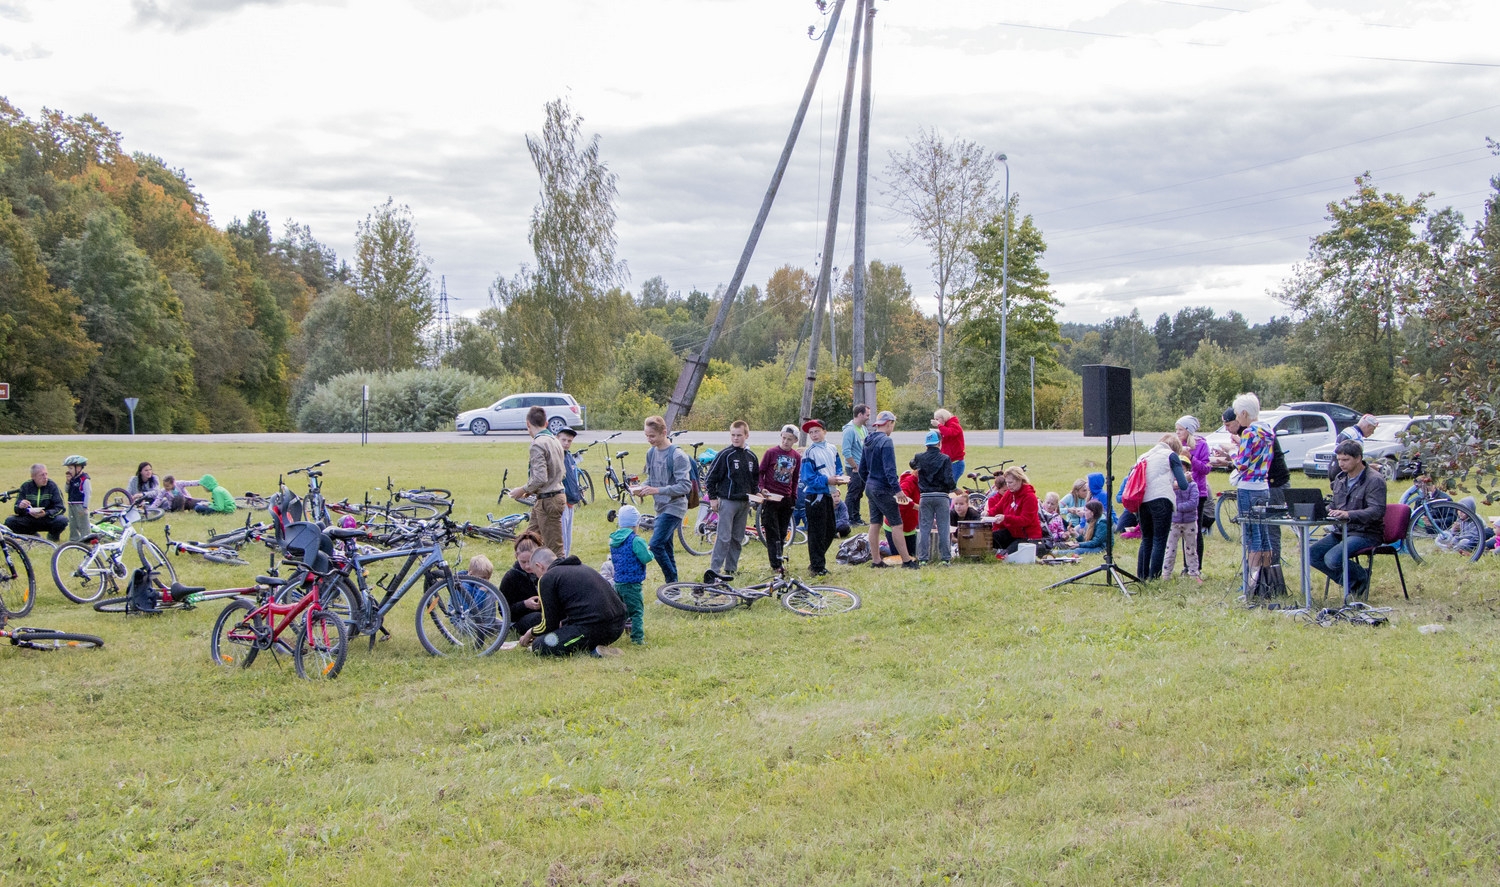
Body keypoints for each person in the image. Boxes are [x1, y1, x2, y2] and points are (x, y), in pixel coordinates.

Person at [1309, 440, 1388, 598]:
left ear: (1358, 458)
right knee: (1311, 554)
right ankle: (1353, 582)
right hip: (1342, 531)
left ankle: (1360, 578)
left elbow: (1377, 511)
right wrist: (1318, 510)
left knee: (1332, 559)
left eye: (1345, 460)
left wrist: (1348, 515)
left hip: (1366, 533)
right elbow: (1334, 504)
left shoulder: (1375, 480)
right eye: (1339, 460)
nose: (1341, 464)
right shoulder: (1340, 479)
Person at [519, 549, 626, 657]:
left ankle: (595, 651)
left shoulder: (547, 578)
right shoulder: (582, 568)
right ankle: (596, 647)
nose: (537, 577)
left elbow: (548, 625)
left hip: (594, 629)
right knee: (564, 632)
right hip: (618, 626)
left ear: (539, 566)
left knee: (539, 645)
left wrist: (530, 633)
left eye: (535, 573)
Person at [1220, 394, 1276, 586]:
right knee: (1264, 534)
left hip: (1248, 487)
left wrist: (1231, 451)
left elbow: (1242, 464)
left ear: (1244, 413)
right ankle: (1267, 580)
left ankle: (1251, 584)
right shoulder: (1267, 429)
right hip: (1263, 485)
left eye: (1237, 414)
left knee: (1252, 535)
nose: (1237, 417)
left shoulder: (1249, 433)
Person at [638, 415, 695, 584]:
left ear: (664, 432)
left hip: (675, 506)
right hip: (660, 506)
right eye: (647, 436)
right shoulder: (651, 453)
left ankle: (672, 583)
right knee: (667, 548)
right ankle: (673, 589)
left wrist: (657, 490)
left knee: (655, 545)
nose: (649, 440)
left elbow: (685, 486)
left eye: (652, 436)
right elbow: (651, 478)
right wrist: (642, 487)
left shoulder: (677, 456)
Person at [860, 410, 918, 569]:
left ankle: (876, 560)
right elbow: (890, 471)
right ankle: (907, 561)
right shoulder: (886, 441)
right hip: (883, 488)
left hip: (870, 487)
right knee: (897, 524)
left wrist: (870, 482)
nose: (892, 428)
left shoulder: (868, 440)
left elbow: (861, 469)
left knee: (875, 523)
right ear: (888, 423)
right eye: (893, 425)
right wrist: (898, 491)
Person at [508, 406, 567, 556]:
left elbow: (541, 478)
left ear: (528, 424)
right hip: (548, 497)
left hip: (549, 500)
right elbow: (561, 472)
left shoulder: (538, 444)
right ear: (546, 423)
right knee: (529, 541)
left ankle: (557, 576)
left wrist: (522, 490)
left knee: (554, 550)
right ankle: (527, 574)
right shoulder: (555, 440)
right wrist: (532, 490)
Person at [704, 420, 758, 582]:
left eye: (739, 435)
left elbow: (754, 480)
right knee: (724, 537)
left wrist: (758, 493)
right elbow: (710, 478)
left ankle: (731, 568)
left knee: (737, 537)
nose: (735, 438)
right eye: (733, 435)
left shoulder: (751, 456)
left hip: (744, 502)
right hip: (727, 501)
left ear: (746, 435)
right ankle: (714, 569)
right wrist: (713, 498)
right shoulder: (725, 455)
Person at [1133, 434, 1190, 581]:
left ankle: (1142, 576)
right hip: (1161, 500)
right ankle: (1154, 577)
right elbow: (1183, 485)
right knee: (1159, 539)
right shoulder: (1171, 456)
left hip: (1142, 500)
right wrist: (1186, 479)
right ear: (1176, 449)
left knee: (1146, 538)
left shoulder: (1143, 456)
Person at [799, 418, 845, 577]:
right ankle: (817, 566)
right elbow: (807, 477)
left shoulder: (832, 448)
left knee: (830, 529)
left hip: (828, 494)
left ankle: (816, 560)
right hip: (814, 496)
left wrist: (838, 478)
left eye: (816, 431)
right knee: (816, 532)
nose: (814, 435)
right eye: (811, 432)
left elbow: (837, 466)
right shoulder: (809, 452)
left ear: (824, 431)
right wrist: (827, 480)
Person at [758, 425, 801, 573]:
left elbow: (795, 478)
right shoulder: (771, 452)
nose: (786, 441)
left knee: (782, 532)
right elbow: (760, 472)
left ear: (795, 440)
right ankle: (776, 564)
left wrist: (794, 496)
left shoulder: (796, 456)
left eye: (790, 439)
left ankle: (779, 557)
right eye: (784, 438)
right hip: (771, 497)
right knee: (772, 531)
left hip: (786, 498)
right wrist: (761, 488)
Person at [608, 505, 653, 645]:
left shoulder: (614, 539)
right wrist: (649, 551)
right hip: (632, 583)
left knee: (623, 611)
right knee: (637, 611)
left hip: (618, 582)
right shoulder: (636, 540)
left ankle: (610, 634)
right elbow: (646, 558)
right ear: (636, 523)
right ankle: (637, 638)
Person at [912, 430, 954, 564]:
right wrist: (954, 488)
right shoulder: (945, 458)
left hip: (925, 496)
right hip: (942, 496)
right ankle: (945, 558)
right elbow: (948, 480)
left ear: (926, 445)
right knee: (943, 527)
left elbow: (912, 464)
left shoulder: (919, 457)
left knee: (924, 528)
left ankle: (923, 558)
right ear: (939, 443)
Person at [1176, 416, 1211, 566]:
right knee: (1180, 528)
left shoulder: (1201, 445)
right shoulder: (1177, 445)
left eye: (1181, 430)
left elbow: (1206, 468)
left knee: (1194, 529)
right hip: (1179, 490)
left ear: (1189, 431)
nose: (1177, 433)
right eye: (1176, 429)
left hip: (1197, 492)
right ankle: (1184, 564)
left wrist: (1191, 457)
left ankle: (1195, 565)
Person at [498, 530, 545, 637]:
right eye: (523, 562)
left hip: (544, 613)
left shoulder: (544, 571)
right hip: (519, 620)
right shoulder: (511, 577)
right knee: (538, 618)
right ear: (516, 556)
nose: (528, 566)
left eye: (530, 561)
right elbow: (503, 610)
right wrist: (525, 604)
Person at [987, 465, 1043, 555]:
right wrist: (987, 513)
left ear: (1019, 480)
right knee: (988, 539)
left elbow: (1025, 520)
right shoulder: (1009, 493)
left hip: (1028, 536)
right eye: (1007, 482)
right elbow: (998, 507)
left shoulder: (1030, 497)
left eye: (1011, 482)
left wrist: (1006, 518)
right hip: (1012, 532)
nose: (1008, 485)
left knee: (1005, 556)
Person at [1161, 462, 1202, 582]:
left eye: (1183, 470)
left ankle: (1194, 574)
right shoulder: (1171, 486)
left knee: (1191, 549)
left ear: (1188, 471)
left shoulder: (1193, 486)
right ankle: (1166, 574)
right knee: (1170, 549)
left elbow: (1194, 503)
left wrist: (1176, 507)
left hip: (1190, 522)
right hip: (1174, 522)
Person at [6, 464, 67, 541]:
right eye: (41, 475)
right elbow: (16, 508)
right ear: (33, 476)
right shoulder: (26, 486)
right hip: (29, 518)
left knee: (62, 520)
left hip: (47, 518)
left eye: (46, 474)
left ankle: (53, 536)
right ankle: (32, 535)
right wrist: (21, 506)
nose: (45, 477)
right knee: (10, 521)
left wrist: (46, 513)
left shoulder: (52, 486)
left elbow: (60, 508)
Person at [841, 405, 869, 525]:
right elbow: (846, 451)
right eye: (867, 415)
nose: (868, 417)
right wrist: (854, 466)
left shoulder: (863, 429)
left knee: (859, 493)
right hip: (854, 468)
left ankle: (856, 517)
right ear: (860, 414)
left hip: (862, 467)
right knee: (853, 493)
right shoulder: (849, 430)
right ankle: (848, 518)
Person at [557, 426, 583, 556]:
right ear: (557, 439)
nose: (566, 443)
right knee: (562, 537)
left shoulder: (569, 456)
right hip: (562, 502)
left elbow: (573, 478)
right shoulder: (556, 456)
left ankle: (566, 559)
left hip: (571, 502)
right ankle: (562, 561)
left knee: (568, 536)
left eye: (569, 441)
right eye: (564, 440)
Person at [933, 408, 966, 485]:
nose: (936, 421)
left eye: (937, 419)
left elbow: (949, 433)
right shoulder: (946, 426)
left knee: (950, 486)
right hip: (949, 462)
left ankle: (960, 496)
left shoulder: (954, 425)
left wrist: (939, 425)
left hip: (956, 463)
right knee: (945, 485)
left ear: (943, 418)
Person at [62, 455, 91, 541]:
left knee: (83, 523)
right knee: (72, 523)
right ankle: (74, 539)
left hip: (80, 505)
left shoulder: (84, 479)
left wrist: (85, 507)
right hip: (71, 504)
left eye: (71, 468)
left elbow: (87, 493)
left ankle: (85, 538)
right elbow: (66, 490)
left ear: (78, 468)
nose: (69, 471)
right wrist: (67, 482)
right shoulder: (72, 479)